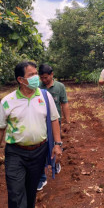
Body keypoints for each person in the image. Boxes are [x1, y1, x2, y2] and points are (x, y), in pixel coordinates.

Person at [0, 61, 63, 208]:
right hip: (15, 153)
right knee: (16, 193)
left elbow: (54, 119)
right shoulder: (8, 101)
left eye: (36, 73)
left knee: (31, 192)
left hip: (39, 152)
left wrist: (57, 144)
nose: (36, 77)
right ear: (20, 80)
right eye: (31, 75)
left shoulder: (45, 96)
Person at [37, 63, 70, 191]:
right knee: (41, 147)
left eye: (46, 77)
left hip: (55, 122)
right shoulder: (38, 88)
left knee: (56, 144)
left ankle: (55, 163)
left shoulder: (60, 87)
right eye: (42, 78)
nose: (44, 80)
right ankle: (42, 175)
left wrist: (67, 121)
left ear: (52, 75)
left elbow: (64, 104)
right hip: (40, 122)